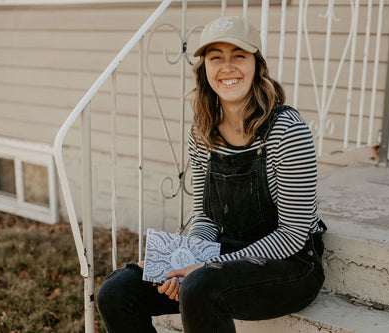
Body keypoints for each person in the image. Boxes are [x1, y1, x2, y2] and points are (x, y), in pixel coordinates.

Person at [97, 15, 326, 333]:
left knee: (201, 286)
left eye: (239, 56)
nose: (227, 67)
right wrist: (184, 261)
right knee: (117, 290)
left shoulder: (287, 130)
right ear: (204, 68)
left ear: (256, 65)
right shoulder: (203, 131)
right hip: (222, 255)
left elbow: (293, 235)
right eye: (216, 57)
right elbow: (205, 214)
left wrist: (202, 267)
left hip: (290, 265)